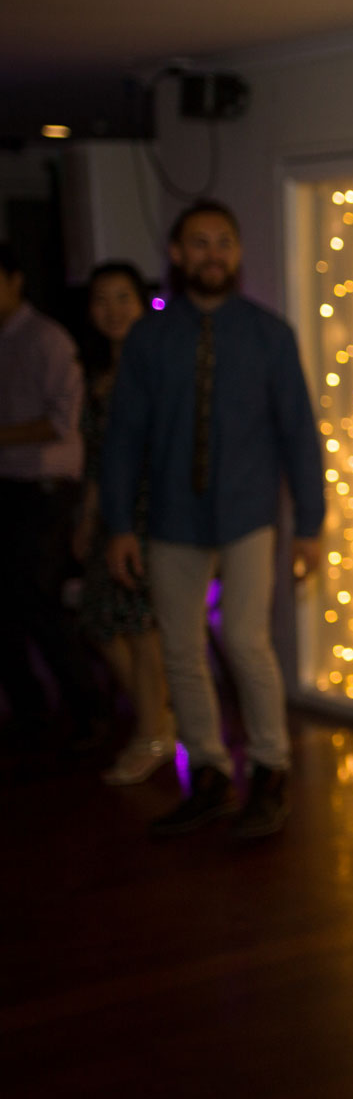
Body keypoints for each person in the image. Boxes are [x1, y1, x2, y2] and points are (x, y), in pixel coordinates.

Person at [100, 201, 325, 839]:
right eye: (198, 243)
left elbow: (299, 435)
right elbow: (123, 438)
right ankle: (209, 774)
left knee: (246, 643)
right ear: (175, 254)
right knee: (180, 648)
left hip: (249, 512)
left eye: (223, 242)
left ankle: (271, 770)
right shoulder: (150, 338)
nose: (212, 254)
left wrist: (310, 523)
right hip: (173, 517)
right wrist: (119, 523)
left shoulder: (268, 335)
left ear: (238, 253)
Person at [72, 261, 177, 785]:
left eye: (122, 298)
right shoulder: (100, 375)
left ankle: (153, 733)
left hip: (146, 513)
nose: (111, 311)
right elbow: (97, 458)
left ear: (142, 304)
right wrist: (88, 517)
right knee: (99, 621)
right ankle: (157, 720)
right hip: (111, 510)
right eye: (100, 300)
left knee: (140, 629)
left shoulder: (156, 370)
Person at [0, 240, 102, 753]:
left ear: (15, 280)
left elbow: (62, 422)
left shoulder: (47, 340)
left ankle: (84, 704)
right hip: (9, 484)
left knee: (38, 597)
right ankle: (30, 709)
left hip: (45, 487)